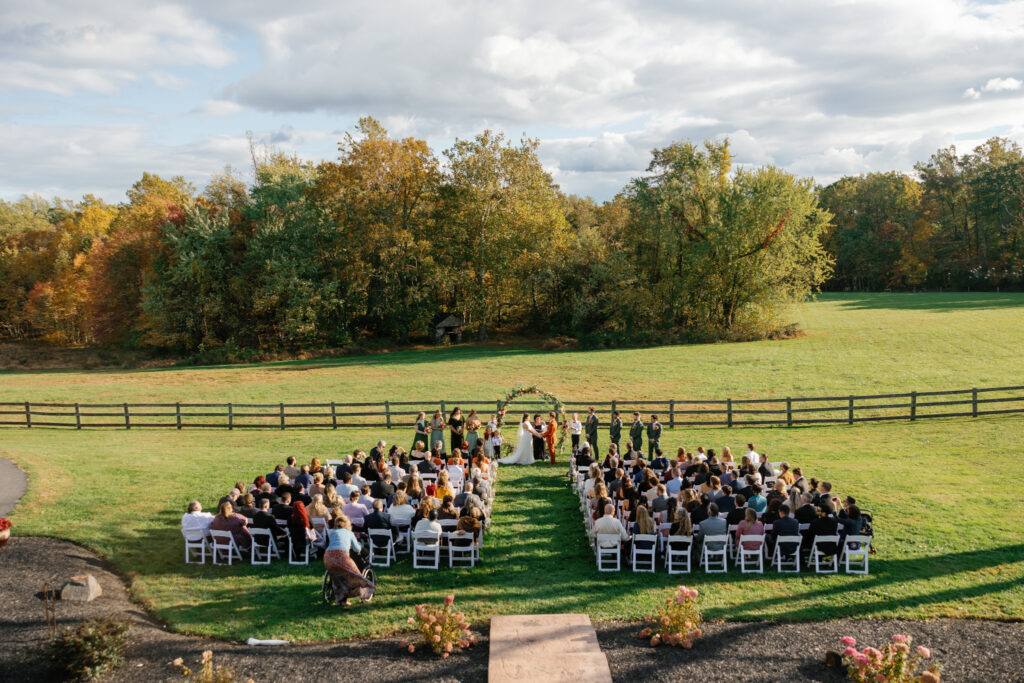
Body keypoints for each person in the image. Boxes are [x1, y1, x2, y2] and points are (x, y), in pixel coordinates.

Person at [323, 514, 374, 606]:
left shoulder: (332, 532)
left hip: (328, 556)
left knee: (336, 576)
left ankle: (340, 600)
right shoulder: (349, 533)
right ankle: (364, 590)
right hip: (341, 555)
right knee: (356, 575)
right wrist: (361, 546)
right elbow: (356, 549)